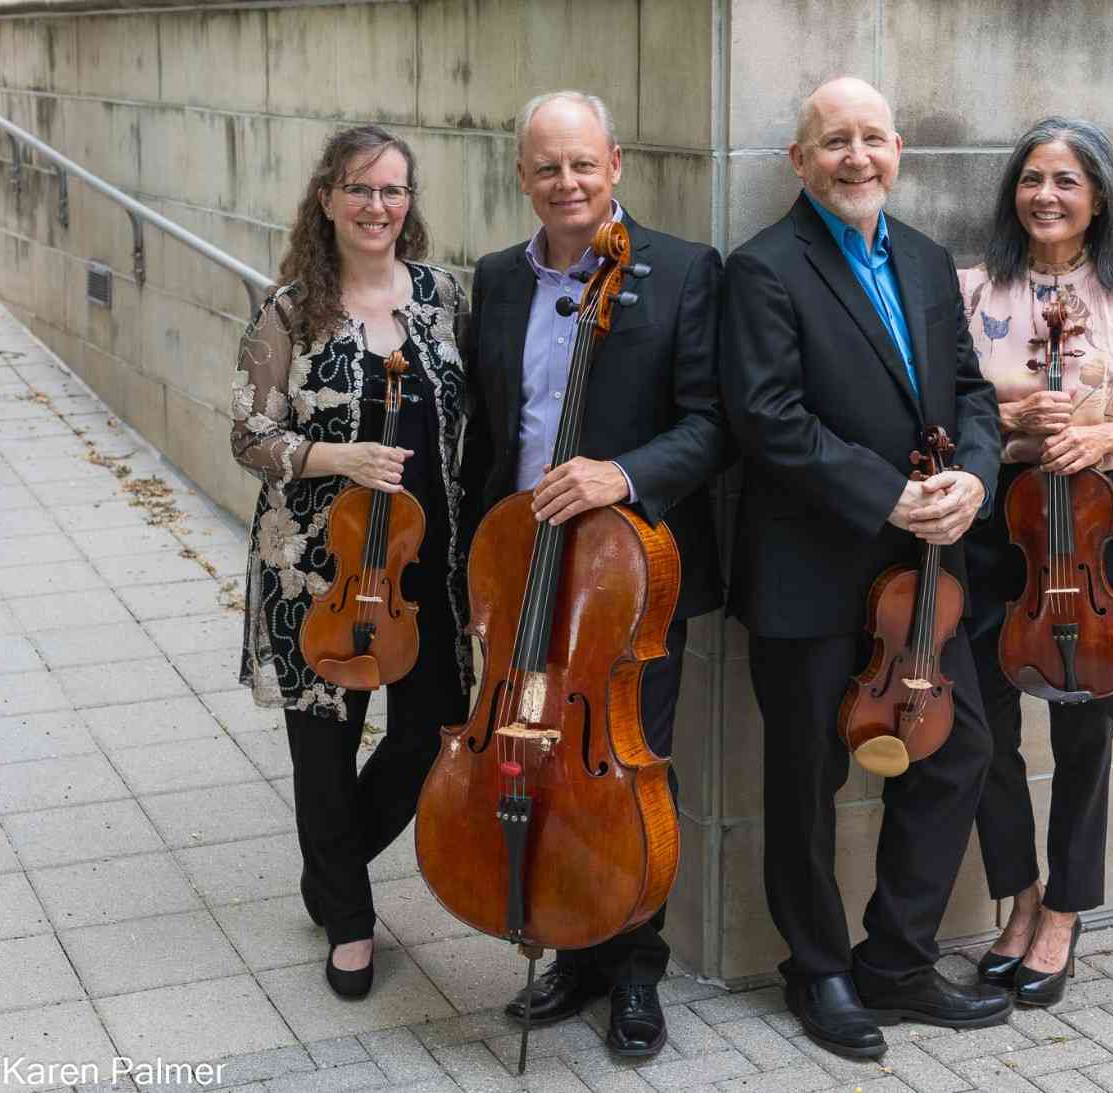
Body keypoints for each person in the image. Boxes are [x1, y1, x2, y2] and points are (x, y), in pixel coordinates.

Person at [719, 76, 1011, 1061]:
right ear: (801, 161)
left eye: (874, 139)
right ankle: (820, 969)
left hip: (922, 577)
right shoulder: (762, 269)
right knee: (808, 775)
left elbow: (970, 390)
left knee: (958, 749)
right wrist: (886, 490)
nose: (857, 157)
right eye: (834, 141)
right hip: (810, 565)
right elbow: (767, 417)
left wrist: (971, 476)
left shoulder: (927, 260)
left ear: (898, 153)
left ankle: (896, 959)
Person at [459, 90, 726, 1058]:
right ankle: (569, 951)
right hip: (521, 568)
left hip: (628, 580)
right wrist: (474, 570)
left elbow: (714, 423)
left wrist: (625, 473)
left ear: (615, 163)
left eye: (582, 164)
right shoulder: (495, 280)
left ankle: (636, 972)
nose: (565, 183)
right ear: (522, 175)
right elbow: (489, 436)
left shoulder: (687, 272)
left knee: (622, 773)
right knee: (535, 761)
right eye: (545, 168)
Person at [230, 125, 471, 1000]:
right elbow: (249, 435)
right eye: (361, 189)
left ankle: (330, 867)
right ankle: (350, 918)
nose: (379, 206)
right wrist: (342, 459)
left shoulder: (443, 296)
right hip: (315, 567)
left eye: (394, 191)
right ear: (326, 198)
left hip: (421, 566)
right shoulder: (290, 308)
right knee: (325, 743)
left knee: (433, 730)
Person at [960, 117, 1113, 1007]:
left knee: (1087, 726)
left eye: (1065, 180)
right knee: (982, 717)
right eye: (1031, 178)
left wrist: (1098, 435)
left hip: (1094, 524)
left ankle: (1063, 908)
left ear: (1099, 196)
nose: (1045, 195)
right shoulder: (971, 289)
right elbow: (949, 400)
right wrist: (1012, 418)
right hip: (998, 523)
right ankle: (1017, 893)